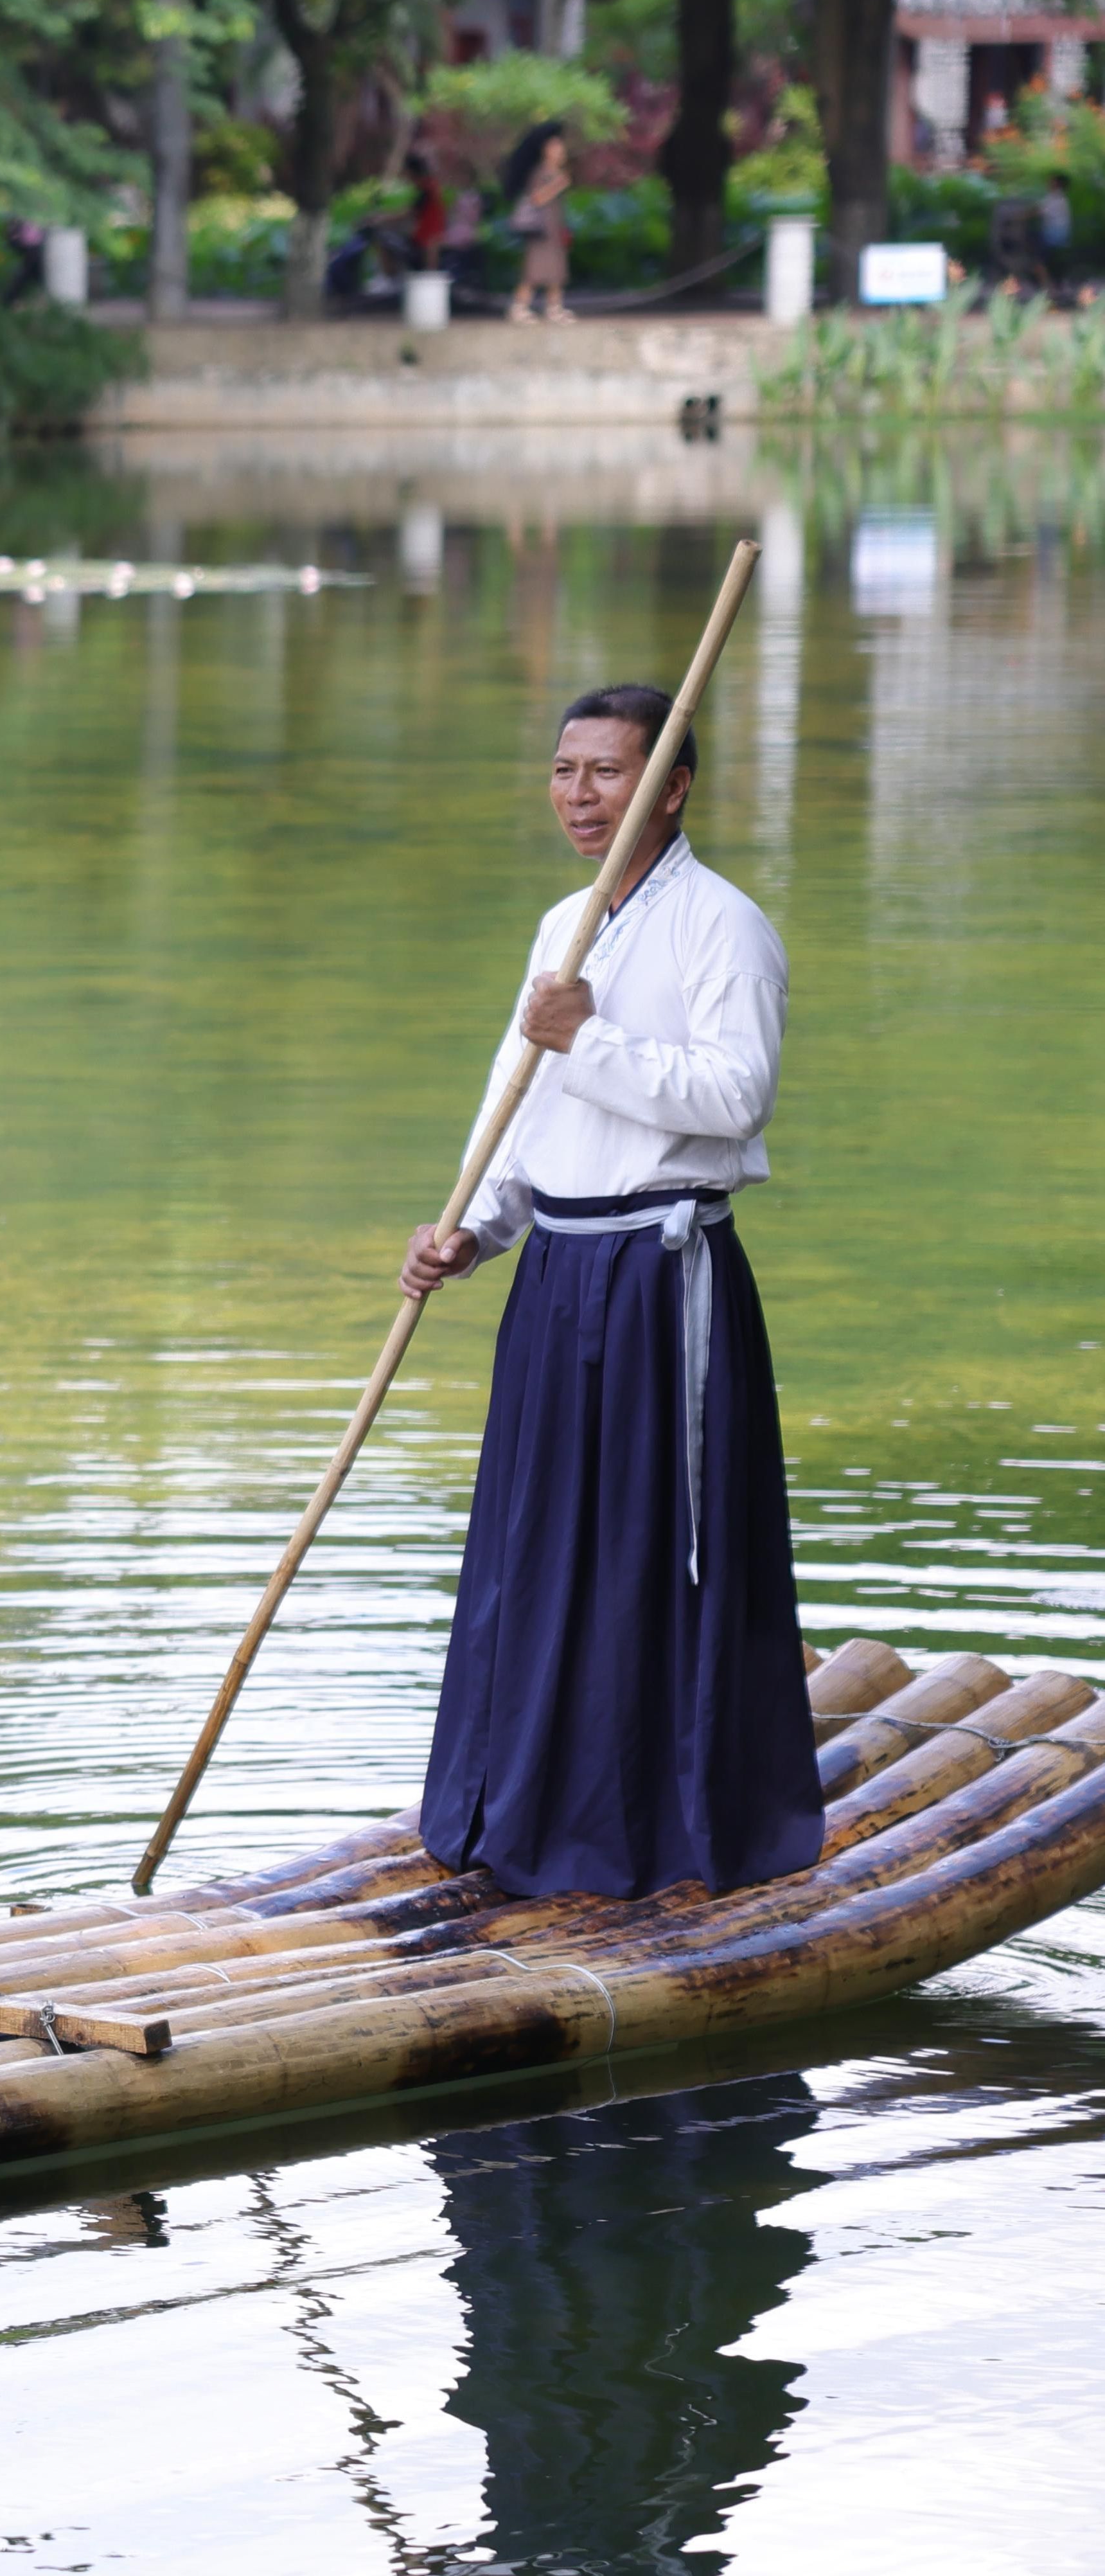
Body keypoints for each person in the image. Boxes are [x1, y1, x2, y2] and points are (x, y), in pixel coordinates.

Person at [400, 689, 822, 1904]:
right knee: (537, 1545)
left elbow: (734, 1099)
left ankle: (662, 1828)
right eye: (562, 770)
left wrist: (589, 1039)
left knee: (650, 1550)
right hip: (557, 1275)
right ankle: (515, 1809)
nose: (579, 795)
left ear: (671, 786)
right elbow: (519, 1115)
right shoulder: (560, 928)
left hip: (660, 1280)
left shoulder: (722, 928)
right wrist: (470, 1230)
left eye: (607, 773)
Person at [502, 124, 575, 324]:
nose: (560, 150)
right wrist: (558, 185)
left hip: (553, 231)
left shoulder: (556, 172)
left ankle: (554, 309)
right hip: (540, 231)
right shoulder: (540, 172)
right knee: (533, 272)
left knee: (556, 271)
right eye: (555, 146)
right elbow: (536, 199)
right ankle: (519, 307)